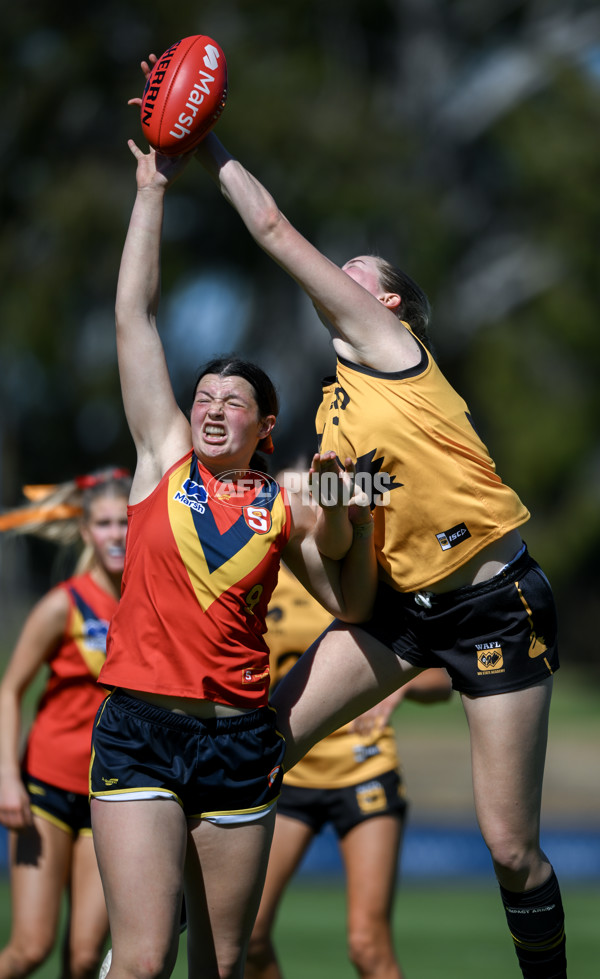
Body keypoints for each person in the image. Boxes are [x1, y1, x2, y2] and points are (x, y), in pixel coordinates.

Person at [191, 125, 567, 978]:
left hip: (491, 600)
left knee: (511, 848)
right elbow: (349, 597)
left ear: (388, 304)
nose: (345, 275)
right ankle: (198, 947)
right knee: (251, 753)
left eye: (362, 271)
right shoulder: (329, 421)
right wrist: (319, 520)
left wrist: (205, 144)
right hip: (399, 612)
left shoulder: (391, 349)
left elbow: (276, 230)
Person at [87, 131, 377, 979]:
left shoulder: (290, 496)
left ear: (264, 424)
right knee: (140, 963)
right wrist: (152, 191)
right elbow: (132, 317)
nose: (211, 409)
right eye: (203, 395)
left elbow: (352, 603)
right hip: (139, 730)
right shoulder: (162, 456)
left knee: (223, 964)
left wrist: (343, 520)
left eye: (232, 401)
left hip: (240, 745)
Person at [245, 547, 452, 979]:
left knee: (366, 947)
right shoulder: (254, 574)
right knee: (250, 937)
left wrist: (402, 689)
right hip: (289, 772)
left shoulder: (361, 579)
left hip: (364, 769)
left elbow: (442, 679)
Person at [0, 469, 130, 979]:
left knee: (83, 959)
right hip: (45, 791)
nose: (115, 534)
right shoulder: (63, 604)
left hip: (112, 797)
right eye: (103, 524)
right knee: (31, 948)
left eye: (124, 521)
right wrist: (8, 778)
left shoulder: (148, 603)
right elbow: (9, 689)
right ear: (85, 531)